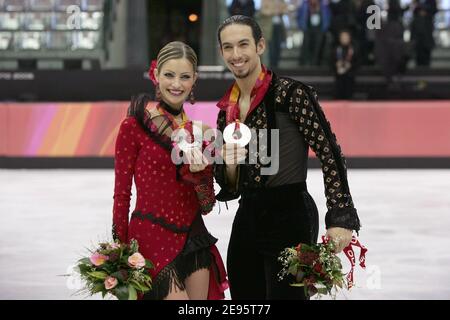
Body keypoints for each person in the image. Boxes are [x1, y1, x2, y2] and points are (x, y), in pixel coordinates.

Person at [214, 15, 361, 300]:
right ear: (221, 52)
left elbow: (329, 152)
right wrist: (230, 164)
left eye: (243, 44)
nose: (236, 54)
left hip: (290, 215)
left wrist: (340, 215)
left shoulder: (291, 94)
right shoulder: (227, 110)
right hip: (248, 217)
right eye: (228, 47)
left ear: (260, 45)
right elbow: (230, 186)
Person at [112, 41, 228, 300]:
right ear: (155, 74)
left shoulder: (201, 133)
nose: (176, 84)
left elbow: (207, 205)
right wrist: (119, 250)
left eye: (185, 77)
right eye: (169, 75)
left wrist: (200, 176)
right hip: (151, 238)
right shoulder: (134, 127)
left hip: (194, 237)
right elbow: (122, 194)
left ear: (194, 80)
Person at [332, 29, 358, 99]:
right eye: (343, 37)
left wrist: (351, 65)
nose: (344, 39)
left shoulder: (354, 49)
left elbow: (358, 62)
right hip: (338, 78)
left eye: (346, 37)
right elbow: (330, 62)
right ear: (340, 39)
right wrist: (336, 65)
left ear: (350, 38)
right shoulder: (336, 49)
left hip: (350, 77)